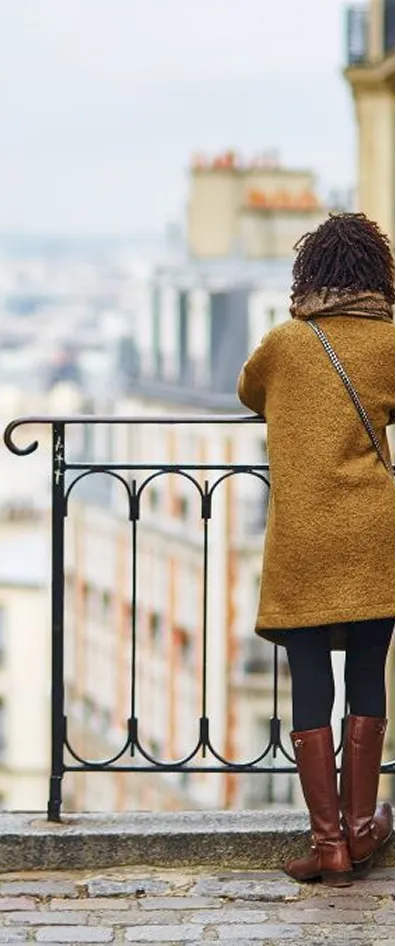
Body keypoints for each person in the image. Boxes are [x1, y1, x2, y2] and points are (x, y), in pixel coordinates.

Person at [237, 213, 396, 887]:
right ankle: (363, 831)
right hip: (375, 535)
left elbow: (249, 393)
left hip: (303, 541)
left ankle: (328, 845)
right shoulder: (391, 344)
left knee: (310, 683)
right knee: (367, 673)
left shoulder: (282, 345)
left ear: (310, 276)